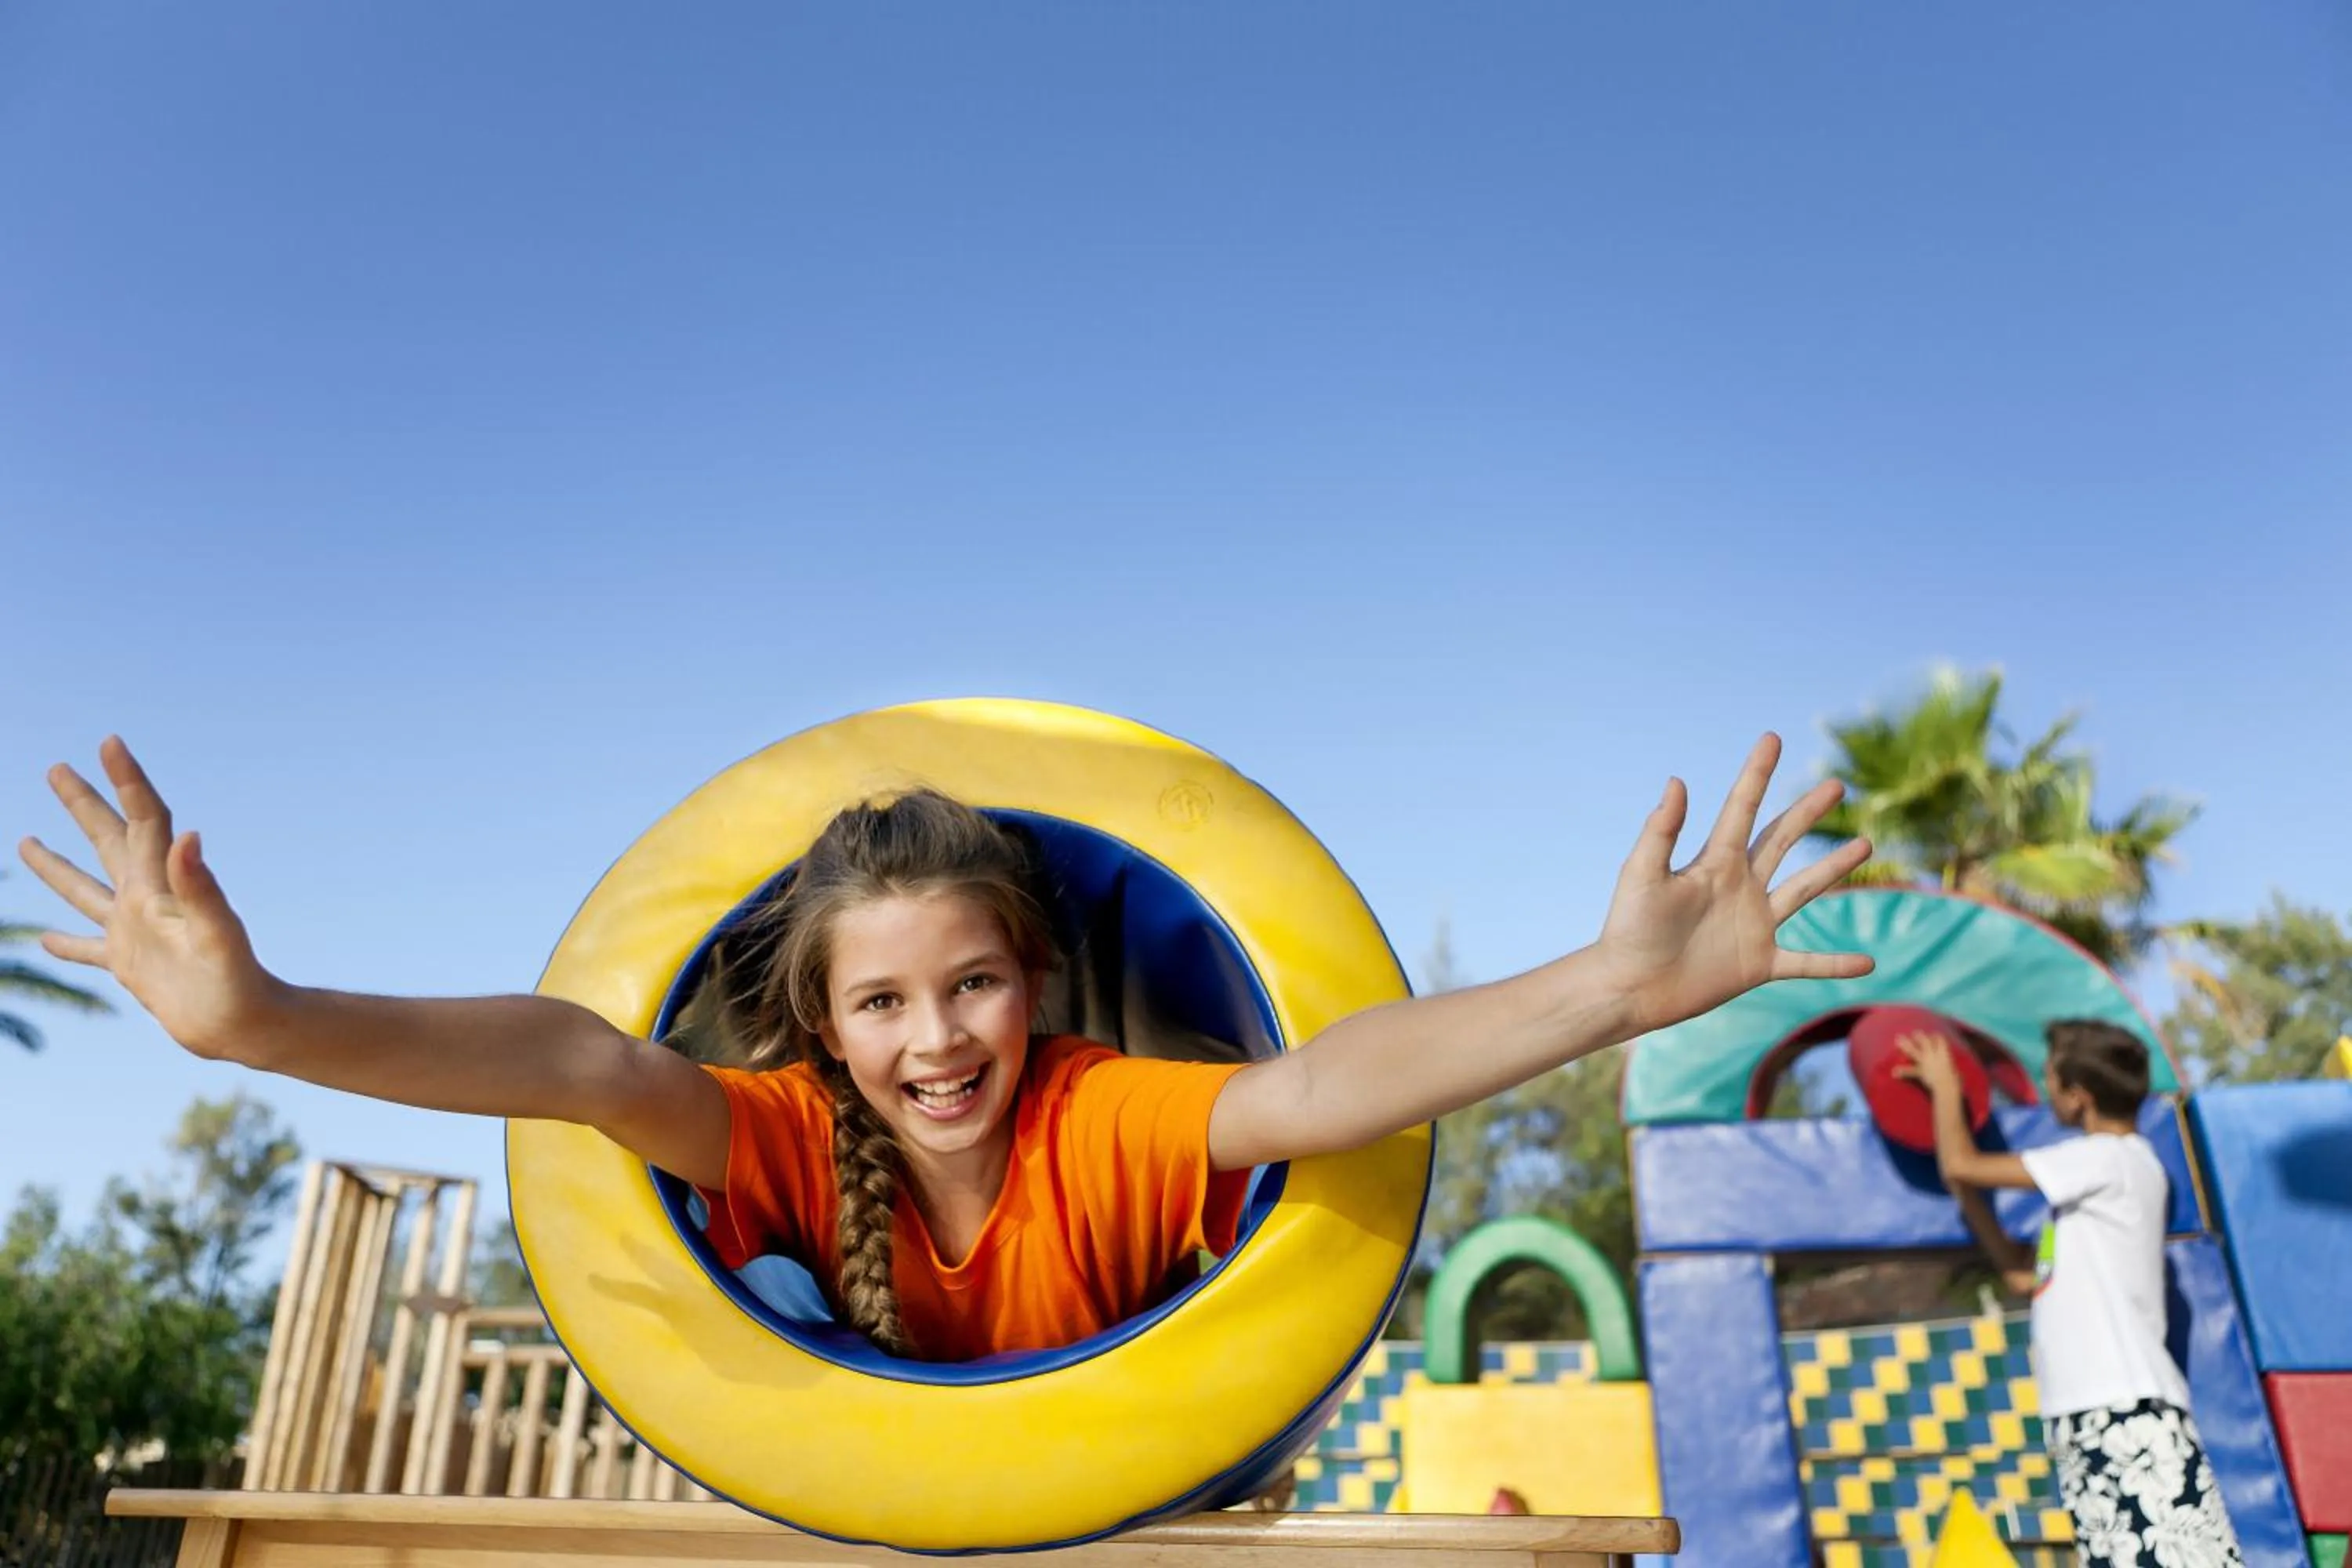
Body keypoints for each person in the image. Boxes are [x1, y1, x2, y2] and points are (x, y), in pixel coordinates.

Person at [21, 731, 1871, 1363]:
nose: (935, 1036)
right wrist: (261, 1022)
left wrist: (1611, 988)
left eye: (971, 983)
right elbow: (579, 1061)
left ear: (1036, 980)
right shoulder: (770, 1135)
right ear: (821, 1023)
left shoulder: (1102, 1114)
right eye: (883, 1000)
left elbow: (1316, 1084)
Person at [1896, 1025, 2245, 1568]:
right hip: (2082, 1415)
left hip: (2126, 1411)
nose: (2044, 1089)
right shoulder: (2084, 1204)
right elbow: (2021, 1276)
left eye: (2050, 1080)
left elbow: (1961, 1162)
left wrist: (1944, 1089)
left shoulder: (2110, 1157)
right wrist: (1968, 1194)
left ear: (2078, 1096)